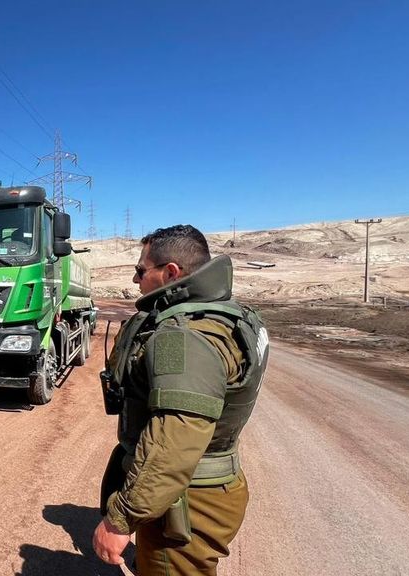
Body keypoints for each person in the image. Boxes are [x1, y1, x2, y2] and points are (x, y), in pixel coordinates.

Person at [92, 225, 270, 575]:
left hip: (184, 499)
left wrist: (121, 519)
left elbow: (175, 439)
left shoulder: (183, 337)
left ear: (170, 272)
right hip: (191, 490)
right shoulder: (224, 315)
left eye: (141, 270)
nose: (134, 279)